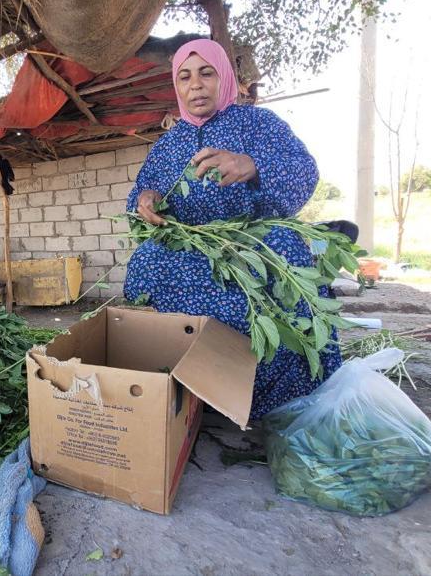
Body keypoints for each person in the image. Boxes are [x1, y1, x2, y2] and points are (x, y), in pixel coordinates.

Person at [123, 39, 342, 420]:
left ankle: (280, 401)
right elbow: (139, 198)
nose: (196, 85)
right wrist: (145, 200)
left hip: (254, 242)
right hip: (193, 247)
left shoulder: (258, 124)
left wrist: (252, 166)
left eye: (206, 73)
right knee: (146, 260)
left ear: (223, 77)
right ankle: (190, 391)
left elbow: (304, 170)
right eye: (185, 77)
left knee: (285, 250)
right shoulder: (167, 145)